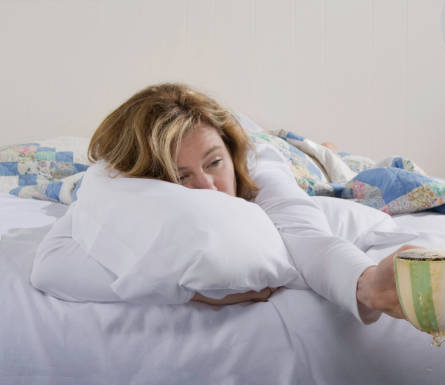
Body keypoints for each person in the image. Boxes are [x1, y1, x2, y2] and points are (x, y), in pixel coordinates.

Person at [32, 83, 418, 324]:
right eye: (181, 177)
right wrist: (192, 289)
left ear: (229, 153)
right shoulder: (120, 190)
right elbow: (50, 267)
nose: (209, 188)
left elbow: (304, 234)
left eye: (214, 163)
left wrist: (365, 284)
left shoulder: (257, 165)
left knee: (325, 164)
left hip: (280, 152)